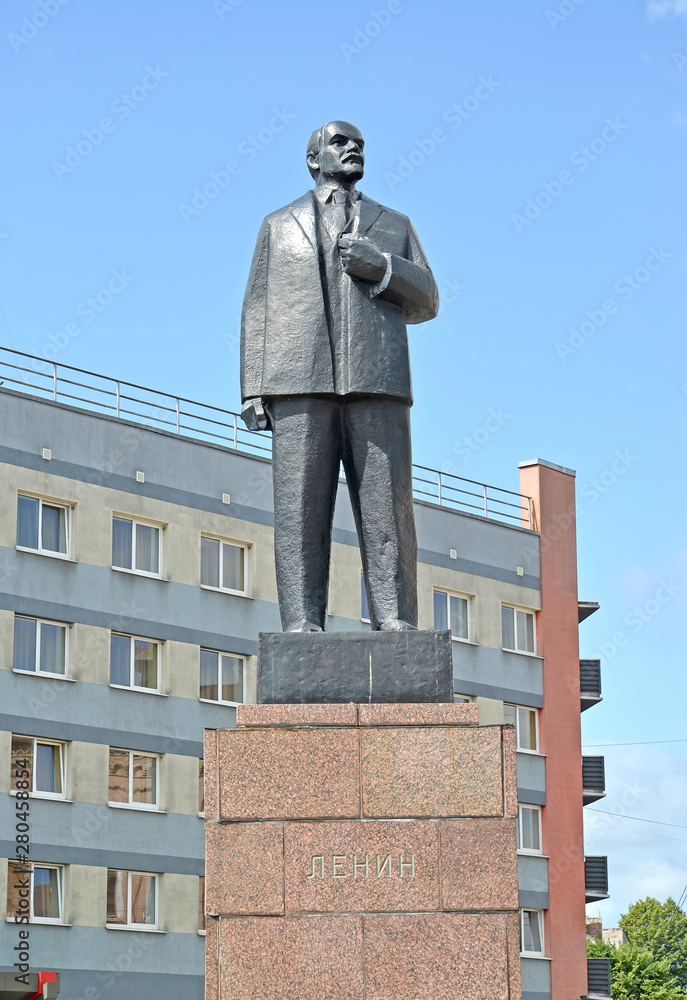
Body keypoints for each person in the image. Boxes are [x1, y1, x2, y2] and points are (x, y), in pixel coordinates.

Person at [240, 121, 439, 633]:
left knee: (387, 508)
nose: (353, 148)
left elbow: (428, 299)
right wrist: (252, 386)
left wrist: (383, 267)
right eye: (339, 142)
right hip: (297, 383)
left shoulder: (393, 224)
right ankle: (302, 624)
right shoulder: (278, 225)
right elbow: (257, 306)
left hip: (377, 381)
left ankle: (395, 621)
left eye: (360, 144)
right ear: (313, 160)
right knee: (299, 511)